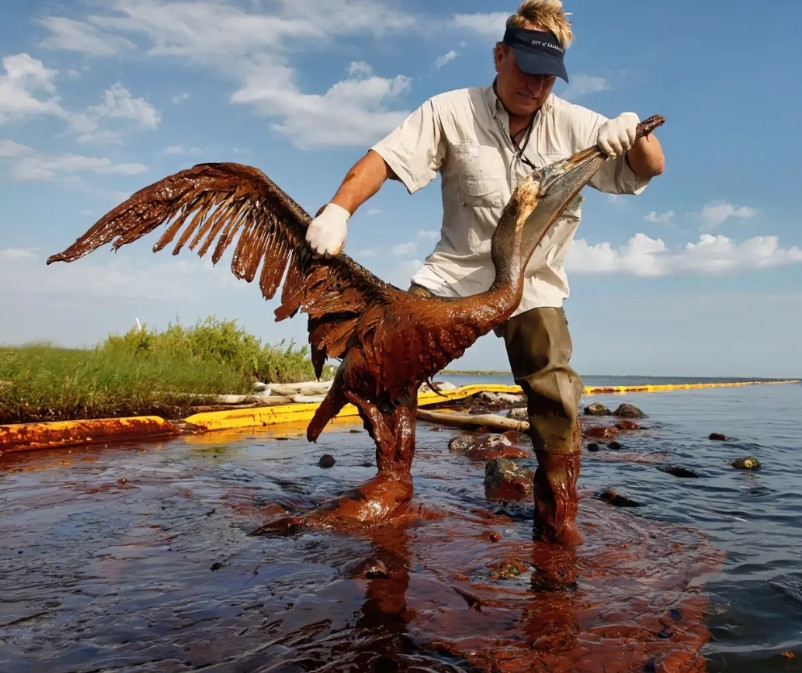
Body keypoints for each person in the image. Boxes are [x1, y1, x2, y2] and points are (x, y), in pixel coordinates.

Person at [304, 0, 665, 545]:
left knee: (554, 387)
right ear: (500, 56)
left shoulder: (580, 124)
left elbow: (651, 165)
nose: (536, 85)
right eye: (526, 69)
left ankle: (558, 516)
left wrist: (634, 133)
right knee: (385, 357)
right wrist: (338, 209)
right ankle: (393, 480)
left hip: (532, 279)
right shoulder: (450, 111)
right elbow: (383, 158)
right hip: (456, 272)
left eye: (549, 76)